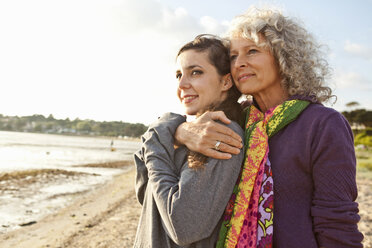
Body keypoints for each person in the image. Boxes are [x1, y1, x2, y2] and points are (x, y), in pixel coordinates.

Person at [174, 7, 364, 248]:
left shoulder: (323, 125)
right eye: (233, 56)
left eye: (252, 51)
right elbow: (166, 133)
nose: (239, 63)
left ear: (283, 56)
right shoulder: (235, 120)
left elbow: (337, 221)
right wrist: (181, 132)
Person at [133, 35, 245, 247]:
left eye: (196, 72)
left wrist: (163, 131)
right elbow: (145, 195)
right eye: (178, 75)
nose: (182, 84)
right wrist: (176, 132)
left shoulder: (222, 133)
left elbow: (182, 227)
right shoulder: (190, 134)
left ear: (226, 81)